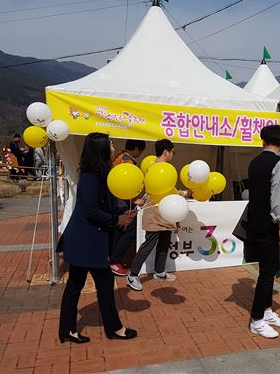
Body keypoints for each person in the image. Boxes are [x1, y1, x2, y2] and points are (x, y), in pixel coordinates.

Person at [57, 133, 138, 344]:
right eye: (110, 143)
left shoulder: (101, 173)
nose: (113, 147)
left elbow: (103, 207)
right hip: (86, 241)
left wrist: (122, 215)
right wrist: (117, 219)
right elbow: (91, 212)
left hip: (89, 240)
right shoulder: (90, 177)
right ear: (101, 148)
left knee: (80, 283)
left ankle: (68, 330)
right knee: (92, 282)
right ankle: (113, 328)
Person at [245, 125, 280, 339]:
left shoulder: (254, 162)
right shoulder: (279, 163)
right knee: (266, 273)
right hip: (270, 225)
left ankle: (268, 311)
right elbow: (277, 196)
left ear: (263, 140)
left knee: (268, 269)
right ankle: (257, 319)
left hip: (255, 223)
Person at [125, 139, 184, 290]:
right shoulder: (158, 168)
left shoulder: (159, 167)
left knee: (164, 242)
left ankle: (159, 271)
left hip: (165, 212)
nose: (173, 155)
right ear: (166, 152)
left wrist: (183, 193)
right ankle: (132, 275)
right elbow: (158, 190)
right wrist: (183, 193)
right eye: (173, 152)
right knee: (149, 243)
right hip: (155, 212)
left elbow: (167, 190)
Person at [108, 139, 147, 276]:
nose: (140, 153)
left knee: (118, 232)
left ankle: (114, 259)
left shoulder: (119, 157)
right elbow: (126, 183)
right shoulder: (127, 162)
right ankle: (115, 261)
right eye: (140, 150)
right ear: (136, 148)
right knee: (130, 231)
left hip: (115, 200)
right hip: (122, 202)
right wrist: (134, 199)